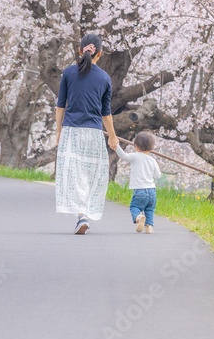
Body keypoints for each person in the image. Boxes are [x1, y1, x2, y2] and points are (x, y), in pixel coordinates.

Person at [55, 32, 118, 234]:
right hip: (93, 133)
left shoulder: (69, 73)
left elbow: (60, 107)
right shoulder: (105, 78)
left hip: (71, 131)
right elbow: (106, 113)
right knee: (91, 174)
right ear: (100, 53)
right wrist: (113, 136)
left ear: (80, 51)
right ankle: (85, 212)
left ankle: (81, 215)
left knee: (73, 174)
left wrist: (58, 131)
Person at [117, 131, 161, 233]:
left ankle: (138, 217)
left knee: (135, 207)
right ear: (151, 147)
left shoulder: (135, 156)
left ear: (136, 147)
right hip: (152, 191)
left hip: (140, 191)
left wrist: (116, 146)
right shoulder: (152, 160)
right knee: (149, 210)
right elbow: (158, 175)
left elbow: (123, 156)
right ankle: (149, 227)